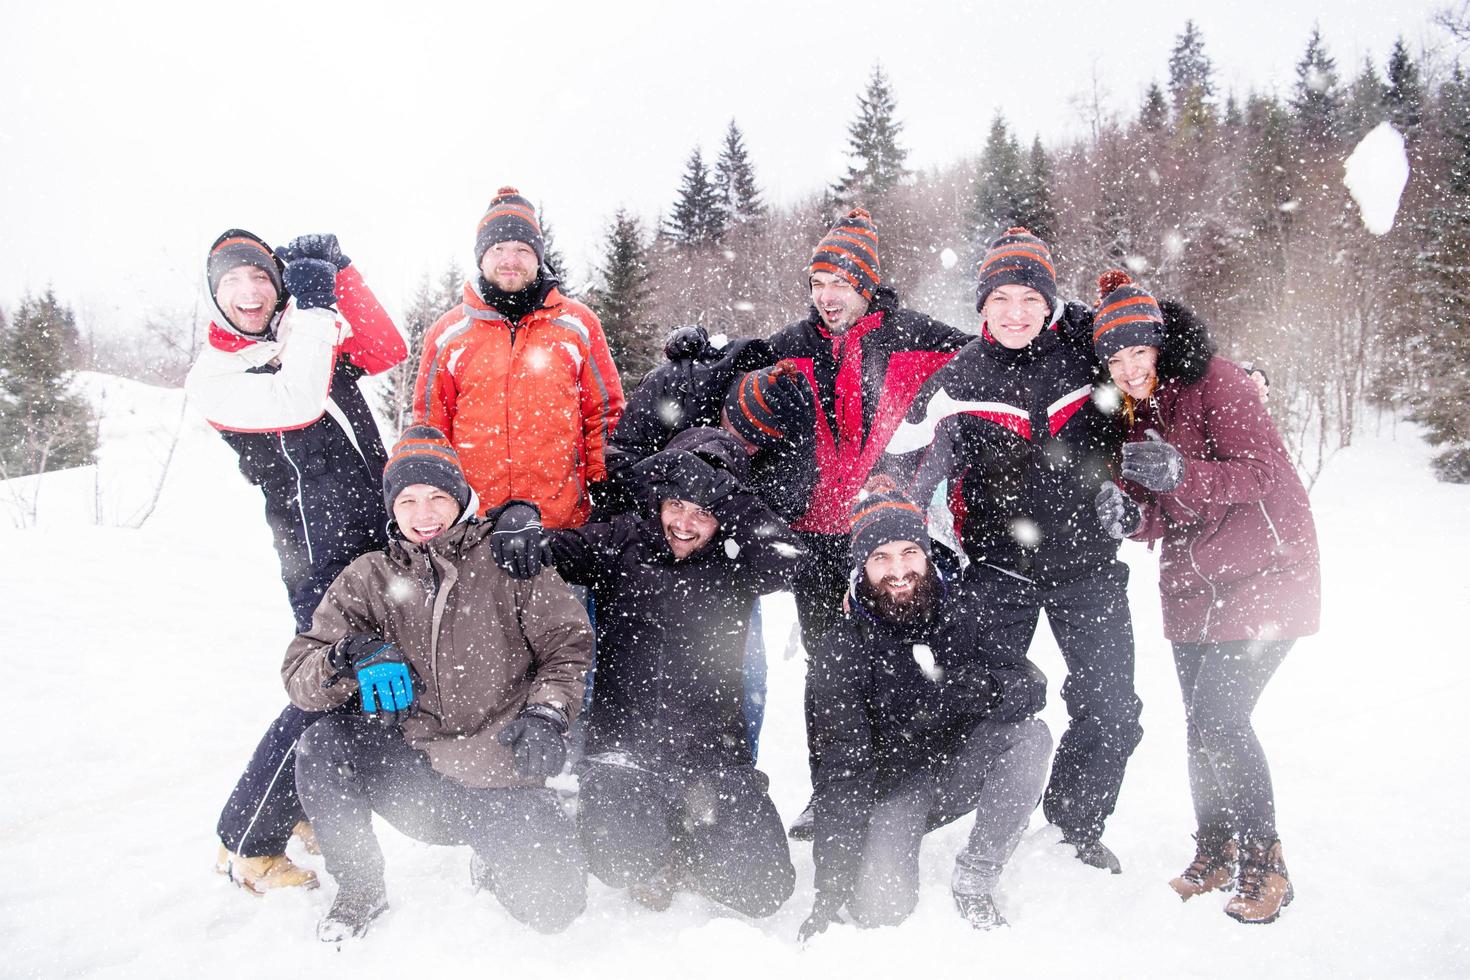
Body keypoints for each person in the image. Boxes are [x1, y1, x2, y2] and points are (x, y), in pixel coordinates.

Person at [884, 227, 1141, 872]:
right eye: (1001, 298)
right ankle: (954, 807)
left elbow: (1143, 406)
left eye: (1030, 296)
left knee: (1110, 705)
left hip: (1089, 567)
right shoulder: (957, 380)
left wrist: (1125, 488)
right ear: (981, 307)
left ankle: (1074, 824)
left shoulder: (1086, 356)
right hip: (1000, 570)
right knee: (977, 694)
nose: (1016, 312)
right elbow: (901, 474)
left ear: (1050, 301)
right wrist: (896, 545)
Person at [282, 426, 593, 941]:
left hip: (500, 771)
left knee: (554, 909)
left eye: (436, 497)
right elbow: (300, 676)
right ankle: (360, 887)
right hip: (416, 777)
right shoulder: (369, 576)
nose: (423, 514)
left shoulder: (509, 557)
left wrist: (547, 713)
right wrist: (345, 657)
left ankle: (496, 854)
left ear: (461, 498)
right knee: (320, 745)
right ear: (392, 508)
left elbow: (569, 647)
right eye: (407, 501)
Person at [1091, 271, 1319, 925]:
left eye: (1138, 352)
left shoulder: (1219, 381)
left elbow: (1262, 472)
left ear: (1160, 345)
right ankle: (1215, 849)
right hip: (1193, 585)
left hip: (1267, 570)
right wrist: (1129, 516)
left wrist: (1185, 471)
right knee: (1200, 726)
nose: (1129, 369)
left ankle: (1265, 862)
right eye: (1116, 358)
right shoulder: (1132, 417)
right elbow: (1162, 515)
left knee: (1222, 719)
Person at [186, 229, 407, 893]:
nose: (250, 292)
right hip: (318, 555)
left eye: (261, 277)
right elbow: (299, 400)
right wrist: (311, 308)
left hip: (372, 535)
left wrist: (342, 273)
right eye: (233, 283)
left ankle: (309, 800)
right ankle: (248, 840)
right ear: (214, 296)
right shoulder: (219, 376)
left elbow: (384, 349)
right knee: (328, 687)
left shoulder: (298, 334)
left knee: (359, 686)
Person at [504, 430, 803, 916]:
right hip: (624, 748)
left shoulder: (740, 557)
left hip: (711, 752)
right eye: (677, 505)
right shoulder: (622, 539)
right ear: (659, 501)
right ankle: (653, 842)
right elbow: (551, 552)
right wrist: (517, 519)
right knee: (620, 862)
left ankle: (686, 838)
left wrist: (733, 498)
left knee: (764, 887)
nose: (685, 524)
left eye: (703, 512)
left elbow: (792, 559)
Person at [764, 207, 971, 836]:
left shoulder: (914, 337)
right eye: (818, 283)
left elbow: (994, 355)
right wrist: (695, 359)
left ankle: (903, 788)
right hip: (814, 539)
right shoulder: (793, 346)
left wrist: (1069, 325)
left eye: (842, 285)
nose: (828, 297)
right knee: (830, 671)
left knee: (899, 661)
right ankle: (831, 794)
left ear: (867, 285)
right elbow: (728, 384)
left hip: (885, 538)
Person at [800, 480, 1051, 939]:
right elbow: (839, 768)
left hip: (957, 765)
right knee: (880, 911)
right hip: (891, 787)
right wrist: (829, 894)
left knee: (1030, 737)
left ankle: (977, 874)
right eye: (881, 558)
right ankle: (884, 849)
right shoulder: (841, 648)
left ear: (927, 554)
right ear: (862, 567)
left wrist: (986, 689)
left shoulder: (964, 608)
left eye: (908, 552)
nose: (898, 570)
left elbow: (1031, 685)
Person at [413, 186, 625, 528]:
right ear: (481, 257)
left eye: (522, 249)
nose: (509, 259)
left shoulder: (578, 324)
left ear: (538, 257)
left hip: (560, 522)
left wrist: (606, 481)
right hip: (473, 525)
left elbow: (603, 412)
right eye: (498, 248)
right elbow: (430, 427)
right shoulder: (448, 333)